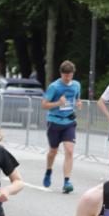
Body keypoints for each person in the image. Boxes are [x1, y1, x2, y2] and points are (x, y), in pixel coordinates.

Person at [41, 60, 82, 193]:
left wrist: (78, 103)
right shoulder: (54, 87)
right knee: (53, 152)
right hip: (54, 122)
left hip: (69, 122)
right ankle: (48, 171)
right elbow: (44, 105)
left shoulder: (76, 85)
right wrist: (58, 103)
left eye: (70, 75)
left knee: (69, 151)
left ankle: (67, 182)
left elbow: (77, 98)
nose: (68, 78)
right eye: (65, 76)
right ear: (61, 74)